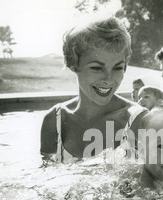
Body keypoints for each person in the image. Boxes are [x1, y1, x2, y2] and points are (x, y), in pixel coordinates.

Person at [40, 14, 148, 162]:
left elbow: (162, 181)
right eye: (97, 68)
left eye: (117, 68)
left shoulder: (138, 120)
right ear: (73, 64)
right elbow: (45, 180)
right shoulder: (55, 121)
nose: (108, 79)